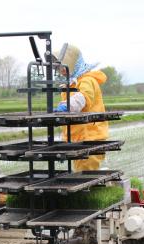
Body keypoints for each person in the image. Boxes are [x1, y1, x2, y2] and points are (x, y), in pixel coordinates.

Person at [52, 43, 109, 171]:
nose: (60, 71)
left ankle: (95, 189)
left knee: (87, 173)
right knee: (80, 172)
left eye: (62, 67)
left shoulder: (87, 81)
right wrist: (65, 143)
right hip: (78, 138)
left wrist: (65, 107)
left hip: (90, 137)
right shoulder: (71, 84)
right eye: (58, 68)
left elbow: (82, 98)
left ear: (72, 64)